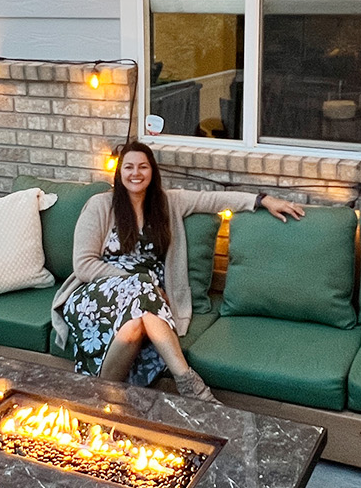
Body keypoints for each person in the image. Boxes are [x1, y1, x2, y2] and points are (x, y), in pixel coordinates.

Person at [51, 142, 304, 400]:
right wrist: (135, 281)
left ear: (152, 171)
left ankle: (101, 397)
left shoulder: (168, 202)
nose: (135, 173)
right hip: (97, 293)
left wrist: (263, 200)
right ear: (119, 172)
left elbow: (214, 199)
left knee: (136, 325)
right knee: (143, 291)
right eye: (128, 167)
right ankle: (189, 383)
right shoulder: (100, 205)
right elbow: (83, 265)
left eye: (142, 167)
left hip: (146, 297)